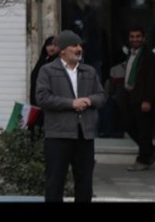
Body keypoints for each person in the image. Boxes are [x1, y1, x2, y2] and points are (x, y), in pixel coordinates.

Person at [35, 29, 106, 202]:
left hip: (84, 135)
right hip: (58, 135)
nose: (79, 49)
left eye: (80, 45)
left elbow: (102, 96)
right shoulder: (47, 71)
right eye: (74, 45)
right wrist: (71, 103)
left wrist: (89, 100)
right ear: (63, 50)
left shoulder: (89, 71)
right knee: (55, 183)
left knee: (84, 184)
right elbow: (42, 98)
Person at [119, 26, 155, 171]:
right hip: (132, 97)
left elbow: (152, 80)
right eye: (132, 37)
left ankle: (144, 159)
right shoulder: (131, 54)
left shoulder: (149, 56)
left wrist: (147, 100)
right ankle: (151, 150)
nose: (135, 39)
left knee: (144, 130)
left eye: (138, 36)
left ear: (143, 38)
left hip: (143, 99)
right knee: (128, 124)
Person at [63, 0, 103, 81]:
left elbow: (96, 33)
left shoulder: (91, 13)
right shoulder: (71, 12)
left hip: (91, 52)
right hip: (75, 51)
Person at [29, 35, 59, 130]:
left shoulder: (58, 63)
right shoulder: (42, 61)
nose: (51, 48)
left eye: (55, 45)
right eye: (49, 45)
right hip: (37, 102)